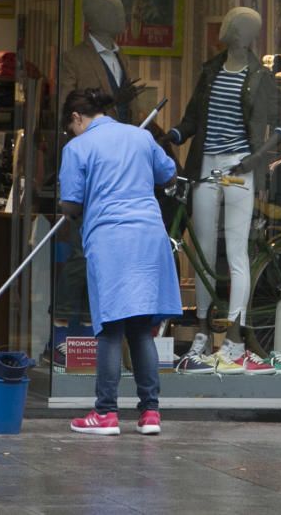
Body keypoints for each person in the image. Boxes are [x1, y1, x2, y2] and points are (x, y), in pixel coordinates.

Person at [167, 6, 281, 374]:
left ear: (248, 34)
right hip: (207, 163)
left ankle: (236, 338)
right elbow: (192, 118)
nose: (228, 30)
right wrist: (174, 134)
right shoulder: (210, 70)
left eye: (236, 27)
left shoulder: (260, 76)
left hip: (240, 166)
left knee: (236, 253)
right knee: (203, 252)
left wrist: (255, 161)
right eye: (230, 25)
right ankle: (204, 332)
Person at [59, 89, 181, 436]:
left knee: (110, 328)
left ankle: (106, 412)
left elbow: (71, 204)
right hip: (148, 238)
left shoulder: (78, 148)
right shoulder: (140, 136)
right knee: (141, 328)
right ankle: (150, 413)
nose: (72, 133)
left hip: (110, 240)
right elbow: (168, 175)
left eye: (71, 127)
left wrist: (74, 209)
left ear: (77, 118)